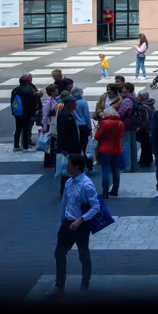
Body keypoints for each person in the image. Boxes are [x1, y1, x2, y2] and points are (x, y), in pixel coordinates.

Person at [51, 154, 99, 298]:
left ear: (77, 166)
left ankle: (85, 285)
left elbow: (96, 207)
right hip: (68, 223)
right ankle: (59, 286)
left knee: (83, 254)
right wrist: (61, 224)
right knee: (59, 253)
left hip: (81, 225)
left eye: (69, 164)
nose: (66, 166)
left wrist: (80, 220)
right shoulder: (68, 182)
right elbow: (64, 205)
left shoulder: (86, 184)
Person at [94, 107, 124, 197]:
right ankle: (115, 190)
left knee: (106, 170)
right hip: (117, 149)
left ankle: (105, 191)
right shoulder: (120, 123)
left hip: (105, 149)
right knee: (116, 170)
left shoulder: (105, 123)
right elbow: (121, 136)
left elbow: (97, 136)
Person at [56, 96, 82, 195]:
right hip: (69, 147)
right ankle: (65, 190)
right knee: (68, 169)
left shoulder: (69, 114)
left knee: (71, 169)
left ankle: (70, 189)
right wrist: (64, 148)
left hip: (72, 146)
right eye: (74, 103)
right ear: (69, 104)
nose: (75, 105)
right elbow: (63, 132)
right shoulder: (65, 115)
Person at [10, 74, 41, 152]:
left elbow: (12, 102)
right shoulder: (29, 90)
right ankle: (25, 147)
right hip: (26, 113)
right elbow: (32, 103)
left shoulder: (15, 90)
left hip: (17, 113)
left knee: (18, 129)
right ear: (28, 82)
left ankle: (16, 145)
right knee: (26, 130)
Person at [72, 87, 93, 172]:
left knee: (76, 148)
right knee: (86, 148)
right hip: (83, 126)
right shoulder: (83, 102)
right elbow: (86, 116)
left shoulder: (71, 102)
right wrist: (90, 128)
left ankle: (77, 167)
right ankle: (89, 166)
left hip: (74, 126)